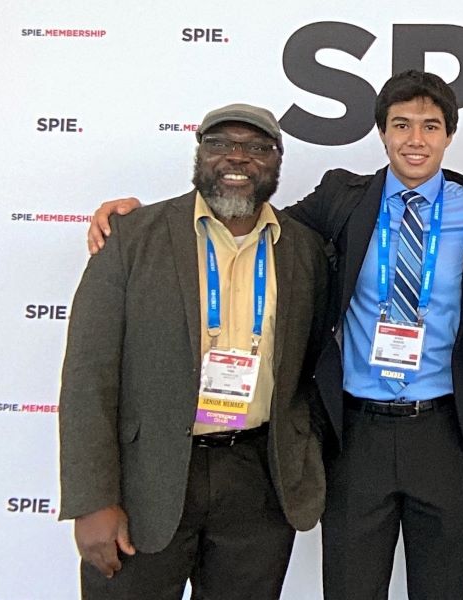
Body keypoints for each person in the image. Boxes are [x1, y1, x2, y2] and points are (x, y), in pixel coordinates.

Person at [86, 71, 463, 600]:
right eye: (401, 125)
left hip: (445, 431)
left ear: (449, 134)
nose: (415, 139)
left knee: (445, 587)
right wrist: (139, 217)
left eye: (430, 126)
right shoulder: (343, 197)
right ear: (382, 133)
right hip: (356, 432)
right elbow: (246, 225)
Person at [59, 103, 328, 599]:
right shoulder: (132, 238)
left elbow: (311, 364)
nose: (238, 158)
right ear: (200, 153)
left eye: (256, 148)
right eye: (221, 144)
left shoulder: (304, 250)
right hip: (147, 481)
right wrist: (92, 499)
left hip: (259, 479)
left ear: (277, 161)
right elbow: (88, 376)